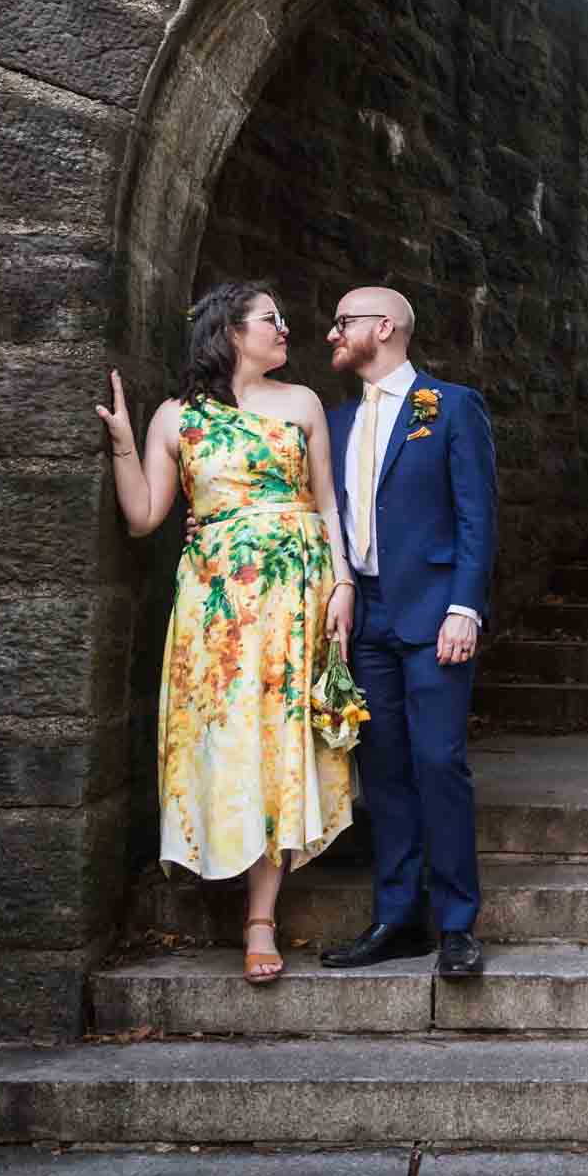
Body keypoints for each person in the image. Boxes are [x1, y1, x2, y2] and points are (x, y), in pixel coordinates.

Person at [95, 279, 355, 986]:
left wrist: (342, 585)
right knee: (228, 736)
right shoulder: (177, 418)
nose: (284, 330)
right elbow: (146, 516)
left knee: (281, 739)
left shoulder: (301, 404)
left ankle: (261, 918)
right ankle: (223, 856)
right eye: (271, 319)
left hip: (296, 596)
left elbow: (328, 504)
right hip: (216, 605)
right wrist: (124, 441)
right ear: (231, 330)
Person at [318, 285, 497, 979]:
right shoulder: (331, 424)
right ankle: (398, 918)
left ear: (382, 327)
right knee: (383, 771)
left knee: (438, 761)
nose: (332, 334)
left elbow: (476, 515)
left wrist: (464, 608)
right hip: (363, 616)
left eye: (343, 322)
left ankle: (456, 923)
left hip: (432, 613)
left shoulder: (449, 407)